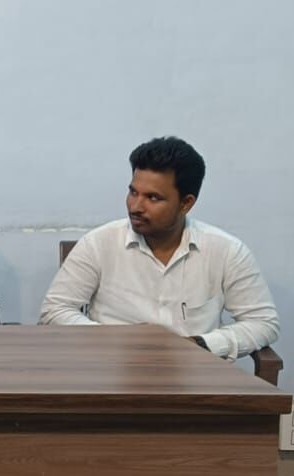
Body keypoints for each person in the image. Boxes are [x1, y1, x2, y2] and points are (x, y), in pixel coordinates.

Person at [40, 136, 278, 358]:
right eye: (133, 192)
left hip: (193, 374)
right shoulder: (99, 243)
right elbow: (55, 311)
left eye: (153, 198)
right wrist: (116, 339)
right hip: (111, 369)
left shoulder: (226, 251)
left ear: (186, 203)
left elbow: (263, 322)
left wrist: (199, 344)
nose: (136, 207)